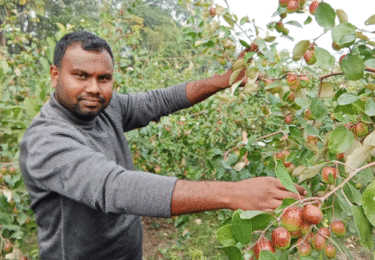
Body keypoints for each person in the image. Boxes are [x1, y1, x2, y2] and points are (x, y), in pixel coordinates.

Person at [19, 31, 306, 260]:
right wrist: (234, 193)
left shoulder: (105, 108)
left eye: (103, 78)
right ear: (56, 75)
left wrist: (223, 81)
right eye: (81, 76)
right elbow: (115, 188)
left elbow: (159, 101)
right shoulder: (46, 141)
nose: (94, 88)